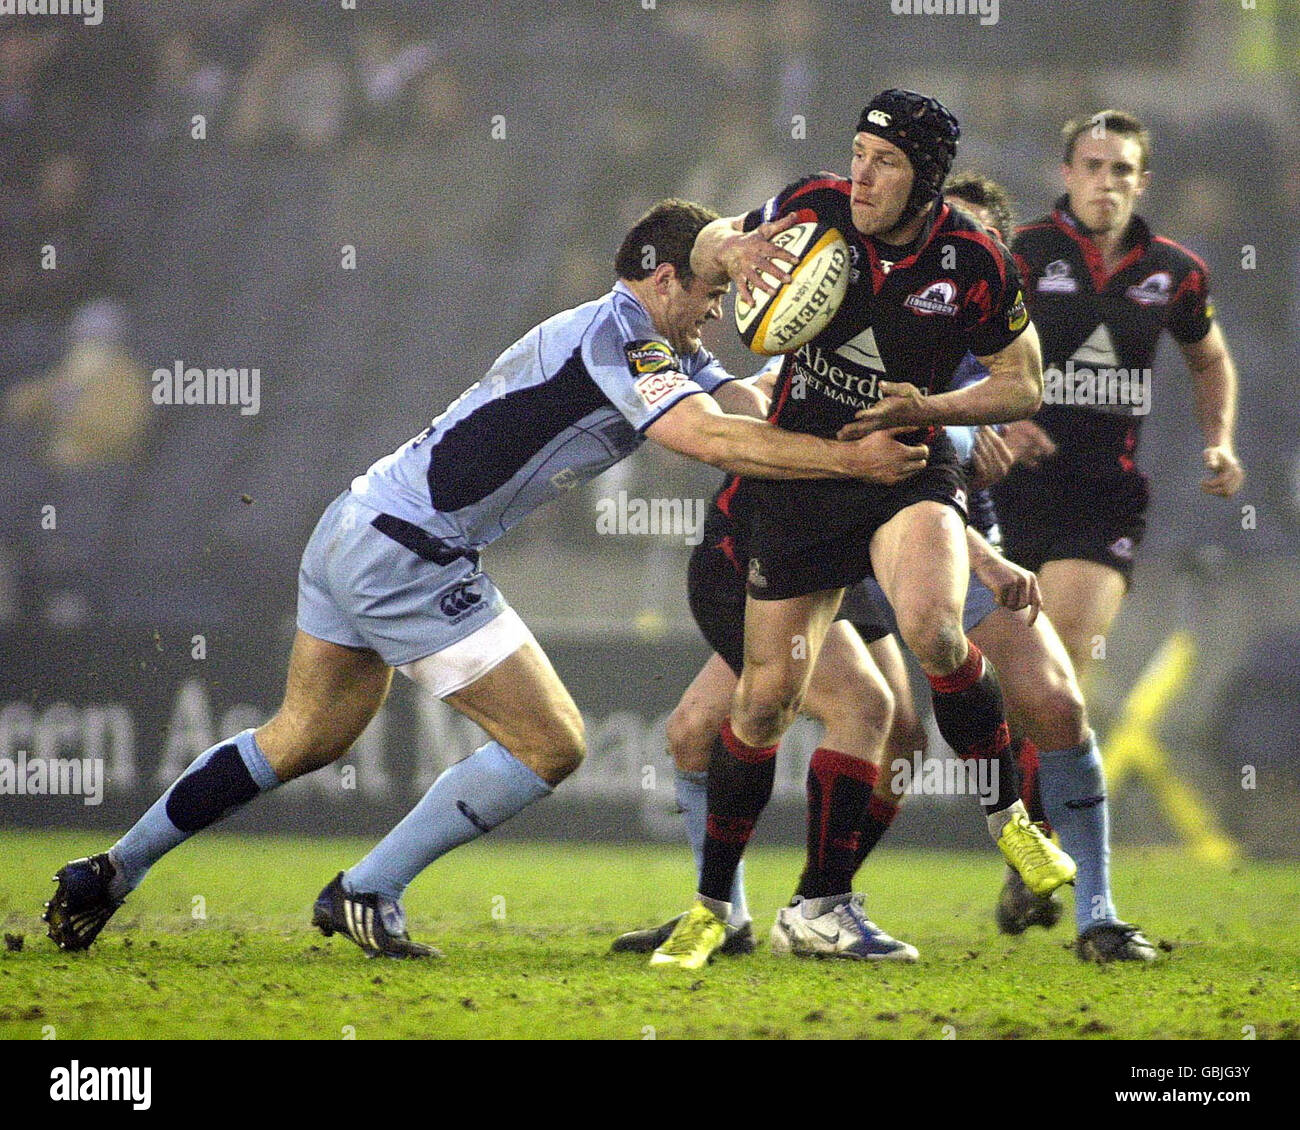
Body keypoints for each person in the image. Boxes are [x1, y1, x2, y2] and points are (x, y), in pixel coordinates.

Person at [41, 199, 925, 958]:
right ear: (666, 282)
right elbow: (714, 442)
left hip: (358, 522)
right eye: (712, 293)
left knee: (301, 736)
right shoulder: (617, 335)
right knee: (553, 743)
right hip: (408, 551)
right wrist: (852, 469)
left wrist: (875, 397)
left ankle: (109, 871)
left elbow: (745, 408)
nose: (719, 314)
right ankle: (365, 889)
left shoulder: (663, 347)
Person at [648, 90, 1074, 972]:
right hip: (805, 474)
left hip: (907, 464)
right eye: (857, 154)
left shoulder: (976, 260)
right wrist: (729, 245)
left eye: (883, 162)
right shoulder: (813, 207)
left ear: (926, 178)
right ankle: (709, 906)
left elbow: (1023, 384)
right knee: (763, 702)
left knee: (933, 628)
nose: (862, 174)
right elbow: (702, 238)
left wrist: (933, 405)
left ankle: (1010, 823)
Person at [990, 111, 1245, 959]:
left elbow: (1209, 358)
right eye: (1092, 165)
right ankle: (1031, 846)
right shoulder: (1021, 255)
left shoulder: (1175, 272)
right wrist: (992, 419)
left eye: (1123, 169)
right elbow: (954, 346)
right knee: (1031, 690)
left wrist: (1220, 439)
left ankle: (1039, 860)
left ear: (1144, 182)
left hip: (1104, 503)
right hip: (1009, 497)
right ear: (1066, 173)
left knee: (1061, 662)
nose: (1106, 181)